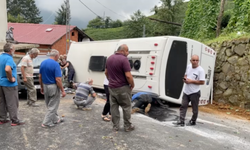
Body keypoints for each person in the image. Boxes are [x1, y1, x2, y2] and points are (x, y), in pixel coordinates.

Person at [105, 44, 135, 132]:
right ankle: (127, 126)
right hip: (123, 87)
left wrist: (110, 80)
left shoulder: (109, 58)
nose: (128, 53)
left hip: (111, 87)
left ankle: (115, 126)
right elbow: (128, 76)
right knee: (126, 107)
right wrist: (132, 84)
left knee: (114, 107)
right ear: (122, 51)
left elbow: (106, 72)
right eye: (127, 51)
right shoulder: (124, 59)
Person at [174, 55, 205, 127]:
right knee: (183, 106)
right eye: (193, 60)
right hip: (186, 91)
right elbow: (186, 75)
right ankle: (181, 121)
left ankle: (193, 120)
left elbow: (202, 82)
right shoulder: (188, 66)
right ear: (190, 61)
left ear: (198, 61)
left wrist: (191, 81)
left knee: (194, 108)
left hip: (195, 92)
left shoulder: (200, 70)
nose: (195, 62)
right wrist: (185, 79)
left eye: (196, 60)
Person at [39, 49, 66, 128]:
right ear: (56, 56)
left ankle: (55, 119)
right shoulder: (56, 64)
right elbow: (58, 79)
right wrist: (62, 90)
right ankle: (46, 122)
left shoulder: (43, 63)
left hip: (45, 85)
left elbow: (40, 77)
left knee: (49, 104)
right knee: (53, 105)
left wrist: (41, 87)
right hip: (53, 86)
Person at [0, 43, 25, 126]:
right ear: (11, 50)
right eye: (14, 49)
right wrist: (10, 78)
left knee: (2, 102)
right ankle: (14, 120)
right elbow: (7, 69)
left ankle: (2, 119)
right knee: (12, 102)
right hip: (9, 84)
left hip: (1, 83)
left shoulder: (0, 57)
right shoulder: (9, 58)